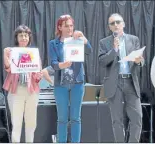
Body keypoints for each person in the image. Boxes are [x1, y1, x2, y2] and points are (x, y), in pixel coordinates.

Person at [98, 13, 144, 143]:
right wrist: (114, 50)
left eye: (118, 22)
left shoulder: (133, 39)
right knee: (117, 120)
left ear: (123, 24)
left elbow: (140, 60)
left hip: (130, 81)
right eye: (112, 23)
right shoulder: (104, 42)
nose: (116, 25)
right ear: (109, 27)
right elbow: (102, 62)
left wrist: (139, 61)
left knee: (137, 118)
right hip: (114, 83)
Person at [48, 14, 92, 143]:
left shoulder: (77, 39)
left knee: (75, 118)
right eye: (66, 26)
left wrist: (84, 39)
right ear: (60, 27)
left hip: (77, 83)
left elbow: (89, 51)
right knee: (62, 118)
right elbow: (53, 64)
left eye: (71, 25)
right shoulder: (53, 43)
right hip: (60, 84)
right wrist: (62, 65)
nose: (69, 28)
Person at [2, 25, 42, 143]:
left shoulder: (34, 53)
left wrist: (39, 75)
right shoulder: (11, 52)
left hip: (32, 91)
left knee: (31, 123)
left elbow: (38, 73)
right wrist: (5, 54)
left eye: (26, 35)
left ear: (29, 38)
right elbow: (8, 68)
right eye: (21, 36)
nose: (24, 38)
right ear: (17, 38)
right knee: (16, 122)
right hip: (16, 90)